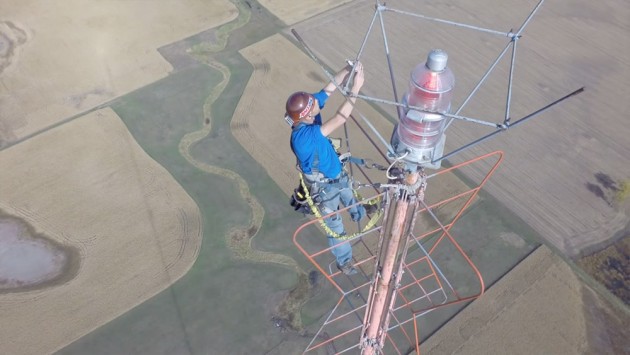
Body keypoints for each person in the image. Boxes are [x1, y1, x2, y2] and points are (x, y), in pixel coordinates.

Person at [285, 62, 366, 275]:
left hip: (335, 174)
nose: (317, 103)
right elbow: (340, 118)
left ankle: (360, 213)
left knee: (350, 196)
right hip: (323, 188)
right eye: (314, 105)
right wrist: (356, 89)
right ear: (307, 115)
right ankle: (345, 260)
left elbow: (328, 89)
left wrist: (348, 70)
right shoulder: (304, 138)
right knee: (335, 226)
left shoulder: (307, 115)